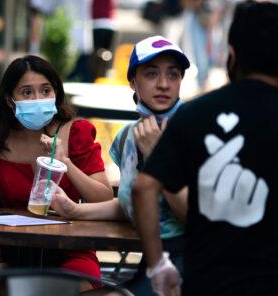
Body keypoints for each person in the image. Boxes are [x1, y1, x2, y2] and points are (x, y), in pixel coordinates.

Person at [132, 0, 278, 296]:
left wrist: (158, 265)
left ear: (231, 55)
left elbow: (143, 188)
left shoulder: (194, 114)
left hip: (204, 285)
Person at [0, 55, 113, 294]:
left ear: (56, 94)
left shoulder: (77, 133)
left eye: (45, 91)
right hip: (12, 249)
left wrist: (65, 163)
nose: (38, 99)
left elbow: (104, 198)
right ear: (11, 101)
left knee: (69, 289)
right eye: (27, 93)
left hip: (71, 250)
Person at [51, 35, 190, 295]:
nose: (163, 84)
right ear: (133, 82)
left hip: (186, 264)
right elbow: (130, 202)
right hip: (150, 263)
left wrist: (159, 157)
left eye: (173, 75)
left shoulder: (193, 132)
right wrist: (75, 211)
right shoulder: (127, 137)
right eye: (151, 74)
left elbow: (194, 216)